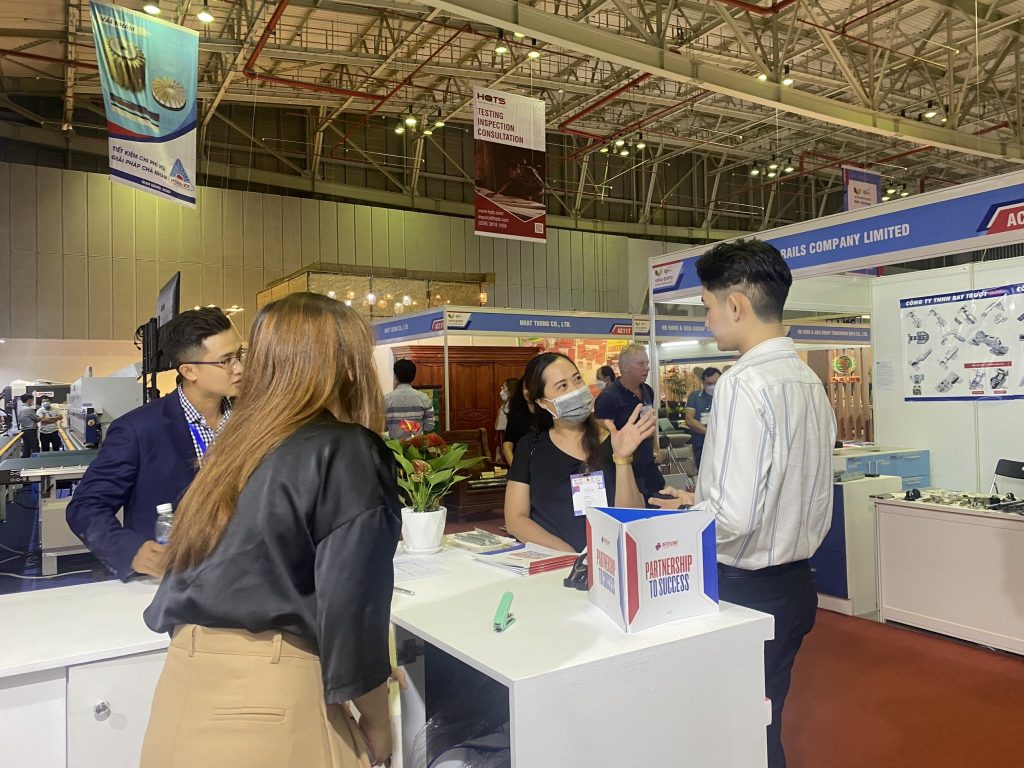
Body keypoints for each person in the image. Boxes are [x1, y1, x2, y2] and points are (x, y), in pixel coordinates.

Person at [142, 293, 401, 768]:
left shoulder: (235, 446)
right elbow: (352, 608)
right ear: (345, 365)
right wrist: (377, 719)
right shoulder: (346, 449)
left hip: (181, 693)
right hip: (272, 699)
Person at [649, 239, 836, 768]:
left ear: (735, 305)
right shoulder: (807, 380)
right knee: (761, 722)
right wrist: (701, 497)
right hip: (795, 585)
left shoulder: (742, 384)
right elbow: (790, 489)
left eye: (707, 307)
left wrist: (688, 513)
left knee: (733, 733)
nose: (707, 320)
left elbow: (733, 518)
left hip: (744, 589)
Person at [66, 307, 243, 580]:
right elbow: (86, 506)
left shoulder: (250, 420)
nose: (239, 368)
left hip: (247, 572)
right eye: (226, 361)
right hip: (180, 578)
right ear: (189, 370)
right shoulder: (139, 430)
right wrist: (131, 551)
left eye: (239, 355)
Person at [504, 352, 656, 553]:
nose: (576, 390)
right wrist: (571, 557)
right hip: (557, 562)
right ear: (542, 402)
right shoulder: (530, 446)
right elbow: (515, 519)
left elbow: (632, 517)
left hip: (612, 559)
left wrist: (623, 459)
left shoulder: (618, 439)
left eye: (577, 379)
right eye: (562, 386)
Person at [593, 344, 665, 499]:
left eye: (647, 363)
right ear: (624, 367)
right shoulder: (608, 397)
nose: (646, 368)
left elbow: (650, 423)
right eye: (640, 364)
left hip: (647, 465)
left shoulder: (647, 391)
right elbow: (601, 437)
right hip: (623, 469)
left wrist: (656, 448)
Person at [385, 359, 435, 439]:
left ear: (396, 376)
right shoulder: (424, 398)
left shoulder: (386, 399)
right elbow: (429, 427)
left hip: (394, 446)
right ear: (413, 376)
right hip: (417, 445)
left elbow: (384, 427)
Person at [684, 367, 721, 470]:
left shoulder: (726, 396)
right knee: (704, 471)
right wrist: (710, 433)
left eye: (716, 383)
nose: (713, 387)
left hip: (722, 442)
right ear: (702, 383)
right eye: (709, 384)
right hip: (701, 443)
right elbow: (689, 420)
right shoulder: (695, 397)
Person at [501, 377, 533, 466]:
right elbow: (507, 444)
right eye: (525, 388)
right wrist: (516, 468)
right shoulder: (516, 415)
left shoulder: (549, 415)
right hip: (522, 462)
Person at [494, 377, 518, 462]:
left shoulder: (514, 408)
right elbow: (498, 430)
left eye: (504, 388)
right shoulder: (505, 405)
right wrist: (498, 451)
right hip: (503, 439)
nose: (502, 391)